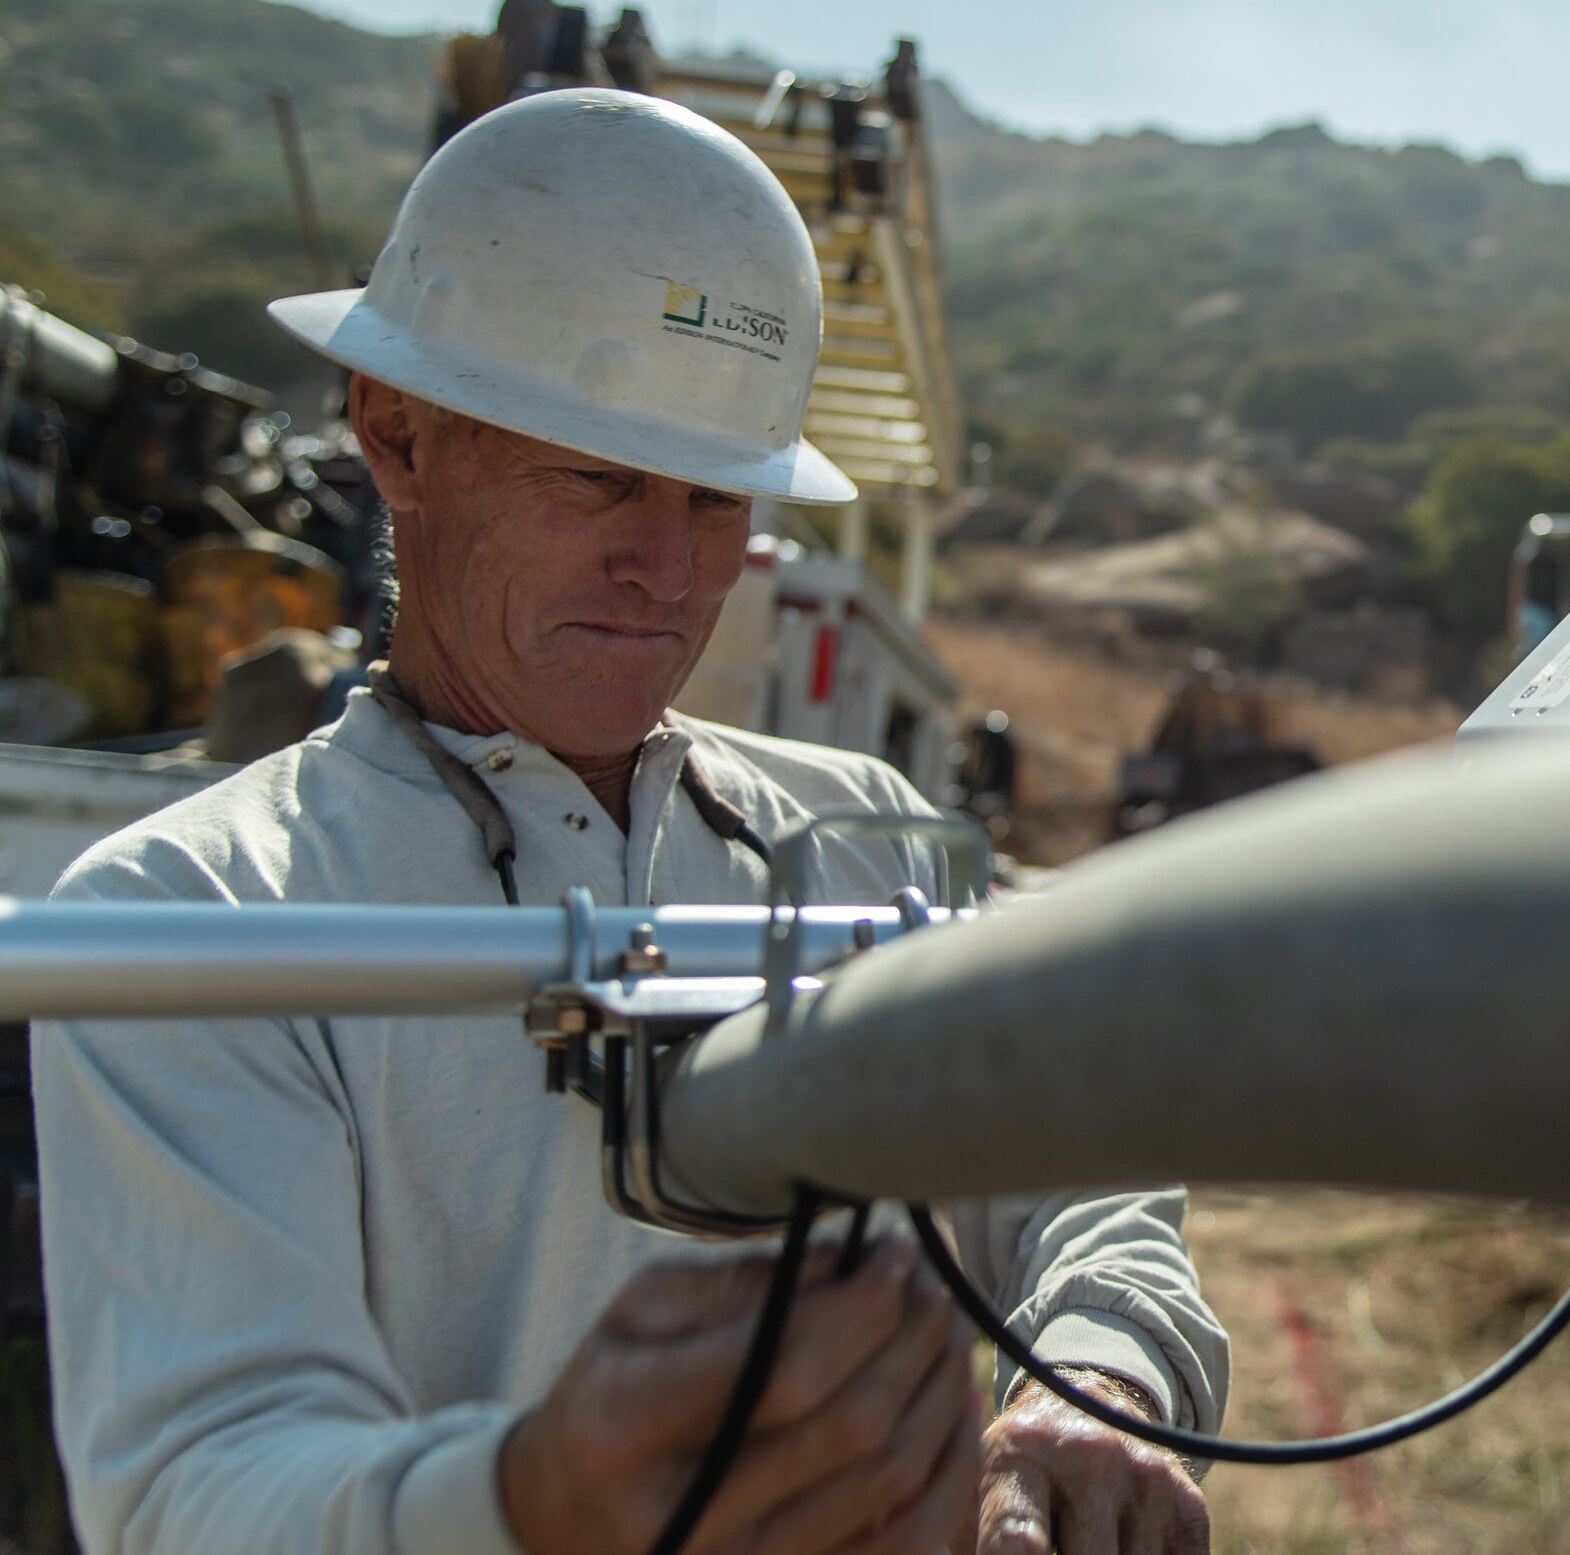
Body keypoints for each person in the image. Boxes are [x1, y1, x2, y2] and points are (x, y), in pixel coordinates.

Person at [33, 88, 1225, 1554]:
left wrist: (1094, 1378)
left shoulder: (853, 832)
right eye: (595, 477)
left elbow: (1085, 1140)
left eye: (717, 498)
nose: (667, 567)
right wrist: (531, 1501)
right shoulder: (188, 914)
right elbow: (196, 1488)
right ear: (397, 436)